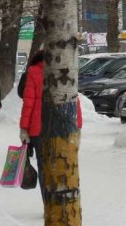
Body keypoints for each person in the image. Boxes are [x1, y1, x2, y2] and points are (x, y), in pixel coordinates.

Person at [19, 50, 82, 200]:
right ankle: (62, 199)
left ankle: (47, 201)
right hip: (63, 128)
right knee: (61, 165)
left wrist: (24, 128)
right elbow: (74, 100)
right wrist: (77, 124)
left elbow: (29, 102)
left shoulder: (33, 72)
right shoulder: (64, 71)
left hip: (38, 130)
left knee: (44, 166)